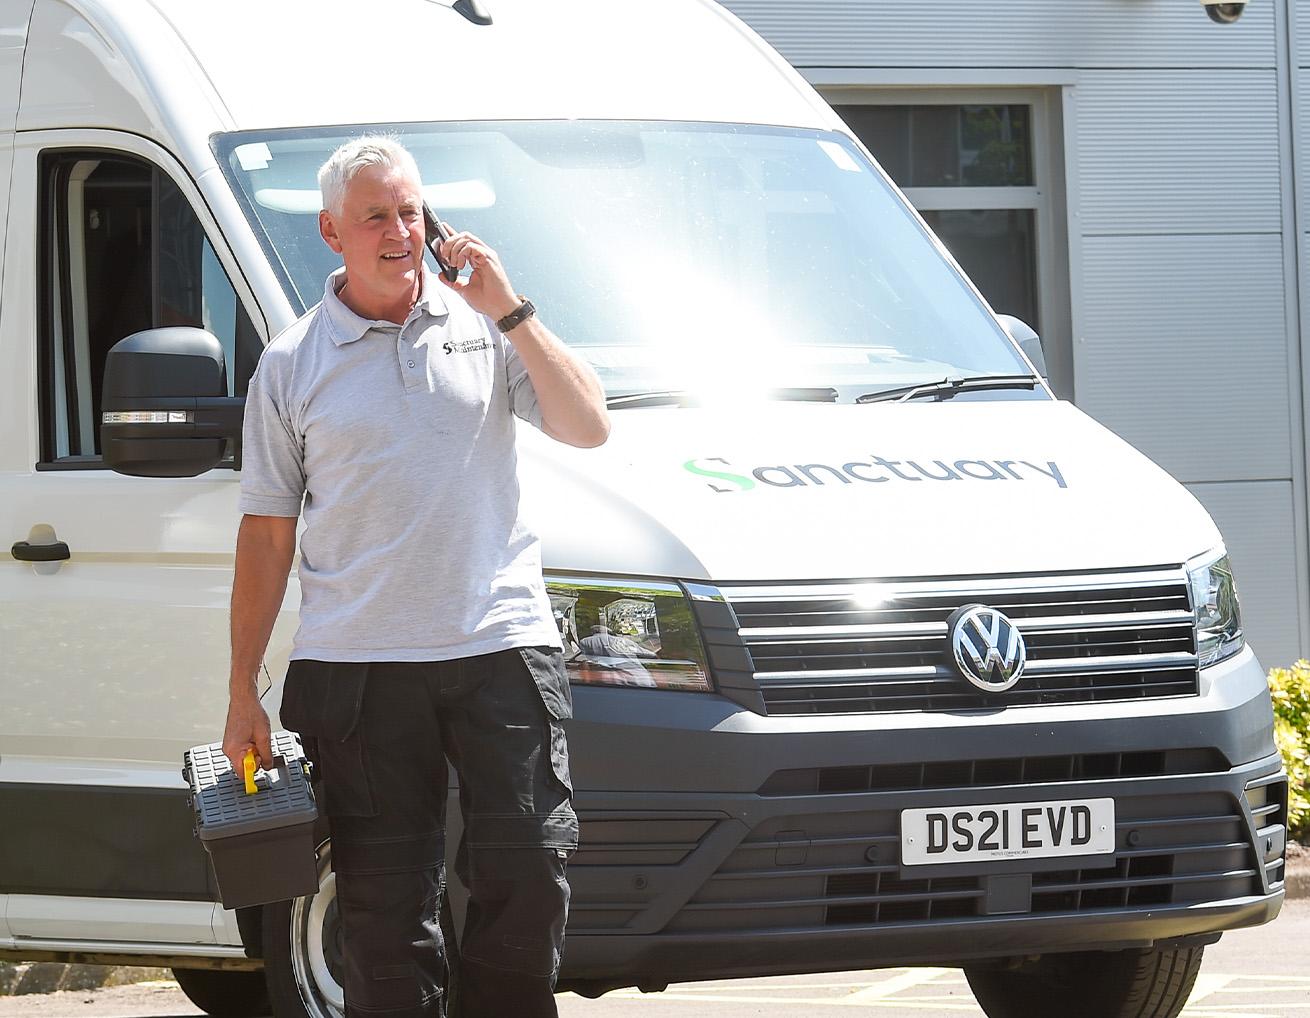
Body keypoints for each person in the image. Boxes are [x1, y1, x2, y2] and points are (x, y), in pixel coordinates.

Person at [221, 136, 609, 1018]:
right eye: (376, 216)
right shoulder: (291, 365)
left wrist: (509, 305)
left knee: (529, 877)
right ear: (331, 232)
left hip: (502, 646)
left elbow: (588, 426)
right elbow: (266, 537)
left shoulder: (487, 327)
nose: (400, 231)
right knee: (384, 915)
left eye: (410, 211)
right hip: (358, 666)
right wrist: (244, 691)